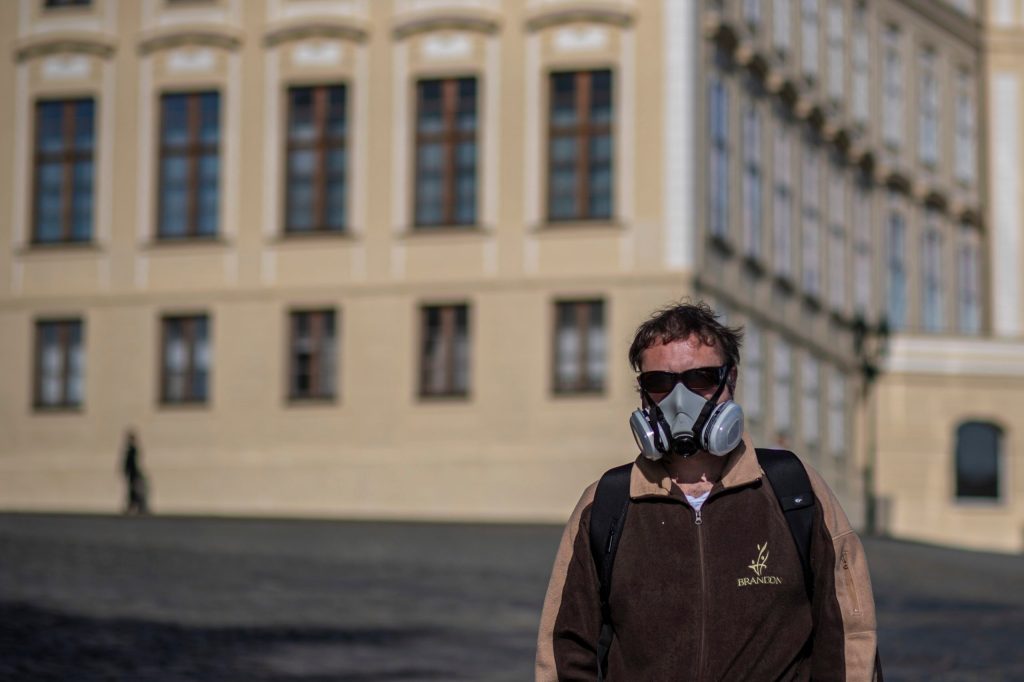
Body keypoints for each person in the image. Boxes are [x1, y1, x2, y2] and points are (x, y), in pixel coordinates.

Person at [536, 301, 880, 681]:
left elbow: (850, 635)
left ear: (730, 379)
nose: (680, 400)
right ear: (642, 393)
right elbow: (565, 648)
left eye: (700, 378)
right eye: (660, 383)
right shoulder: (608, 503)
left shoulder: (794, 491)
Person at [121, 429, 149, 515]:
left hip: (133, 474)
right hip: (132, 474)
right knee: (133, 491)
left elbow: (132, 463)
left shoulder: (132, 450)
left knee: (134, 491)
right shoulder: (131, 449)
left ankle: (137, 507)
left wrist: (128, 471)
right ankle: (137, 507)